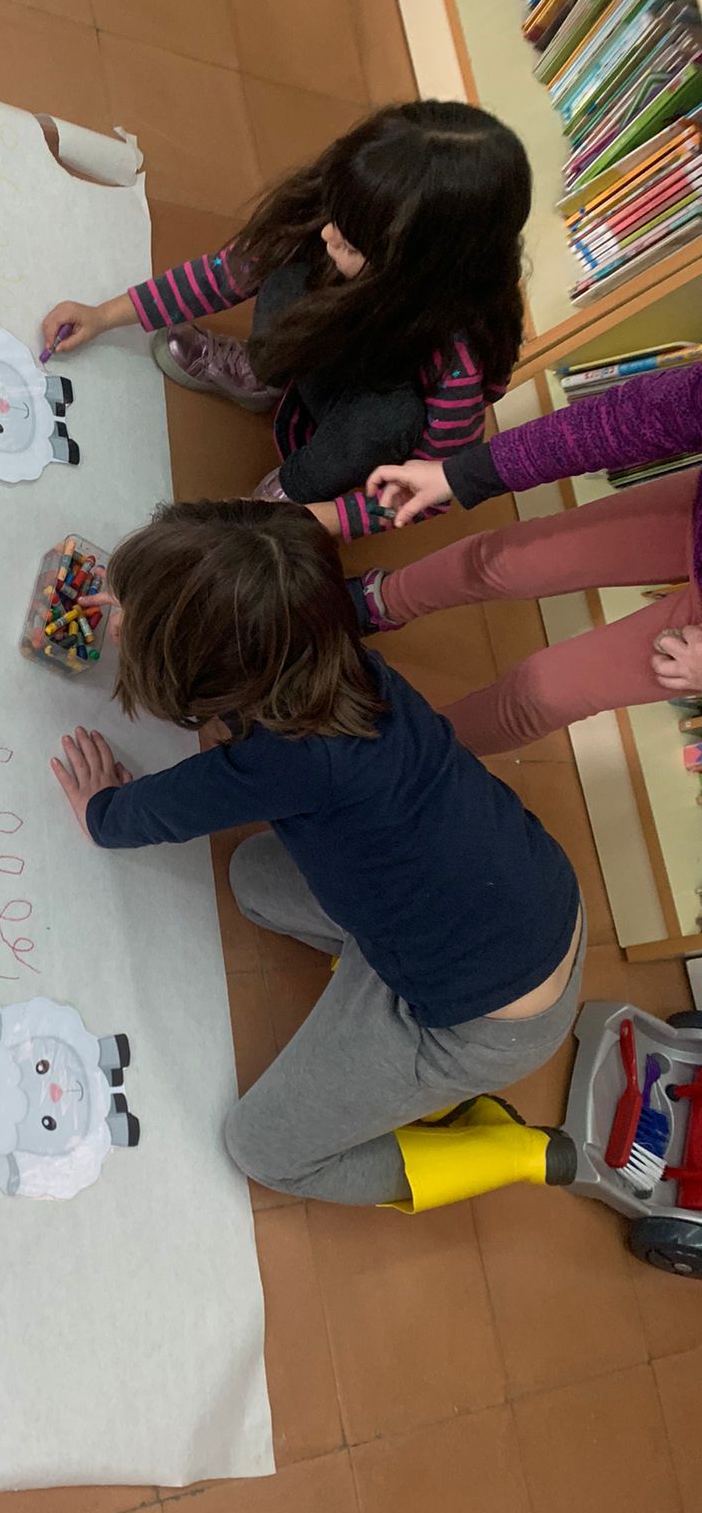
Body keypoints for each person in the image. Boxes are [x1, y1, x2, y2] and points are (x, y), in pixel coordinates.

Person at [49, 499, 585, 1211]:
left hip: (482, 1023)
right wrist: (149, 607)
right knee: (252, 876)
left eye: (131, 617)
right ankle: (381, 980)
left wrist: (101, 812)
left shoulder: (285, 759)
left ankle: (505, 1149)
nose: (115, 618)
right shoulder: (327, 655)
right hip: (527, 899)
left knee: (263, 1151)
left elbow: (155, 812)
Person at [37, 101, 531, 543]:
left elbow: (426, 491)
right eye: (335, 213)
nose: (328, 233)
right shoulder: (343, 210)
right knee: (290, 271)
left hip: (362, 416)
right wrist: (105, 315)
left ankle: (290, 491)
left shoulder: (460, 358)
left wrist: (309, 518)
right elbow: (227, 272)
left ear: (415, 274)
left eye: (351, 243)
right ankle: (264, 373)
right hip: (331, 348)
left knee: (388, 420)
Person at [358, 361, 702, 753]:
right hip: (689, 516)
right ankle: (374, 603)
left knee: (542, 693)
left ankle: (401, 761)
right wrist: (460, 474)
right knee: (501, 559)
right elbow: (635, 416)